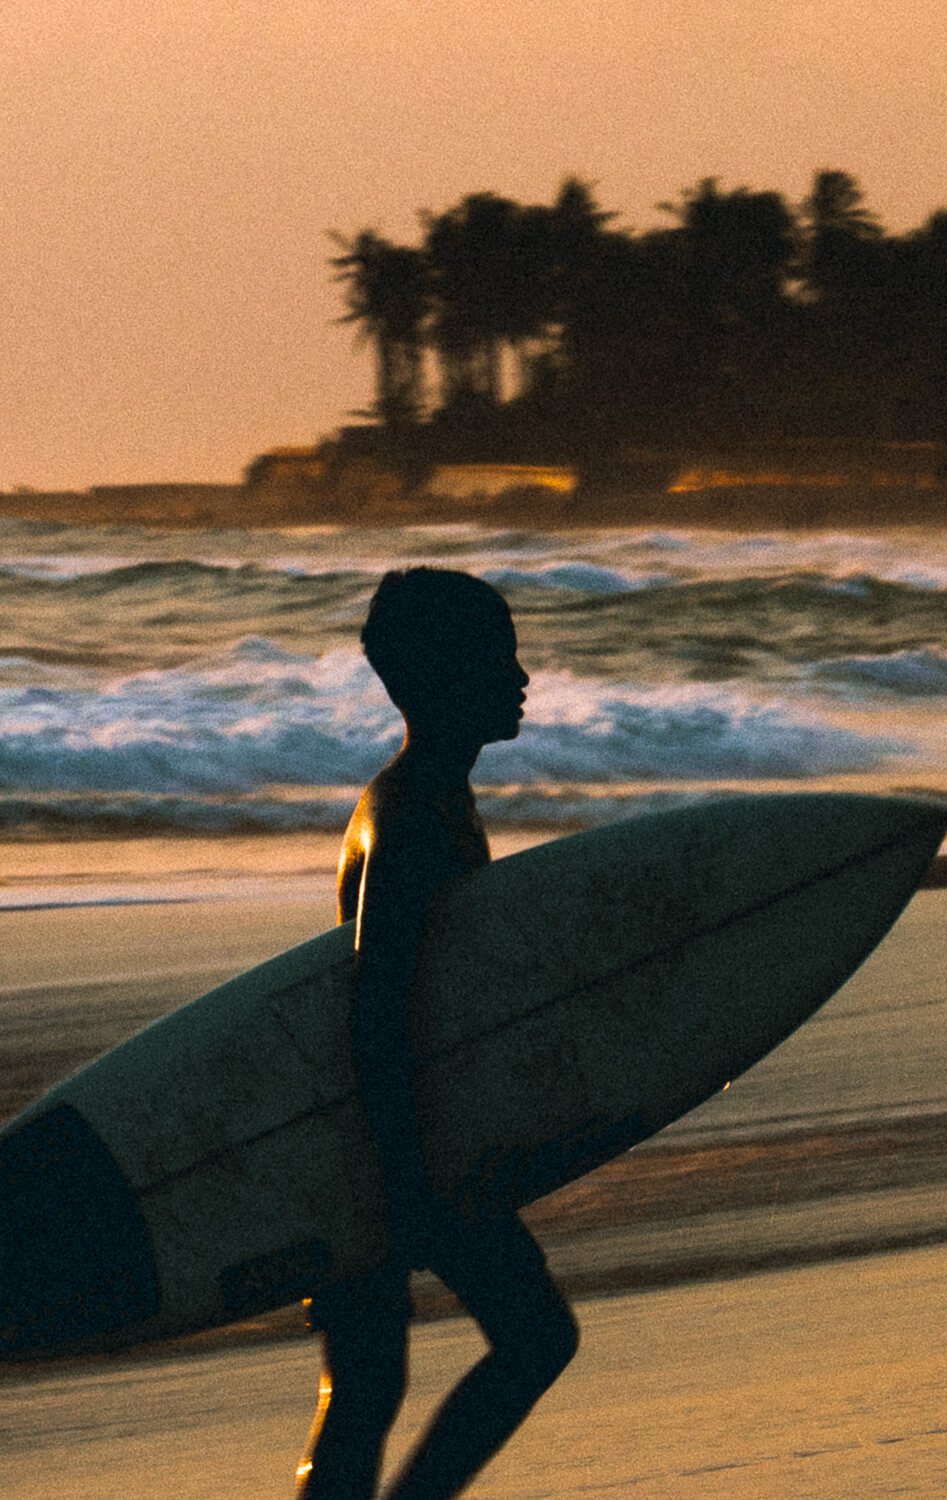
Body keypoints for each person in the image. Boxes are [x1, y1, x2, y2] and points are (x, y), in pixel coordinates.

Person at [295, 567, 579, 1500]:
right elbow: (378, 1005)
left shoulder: (433, 799)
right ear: (447, 674)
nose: (522, 675)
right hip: (383, 1138)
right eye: (500, 657)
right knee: (530, 1337)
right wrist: (411, 1182)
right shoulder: (411, 817)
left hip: (379, 1132)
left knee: (371, 1381)